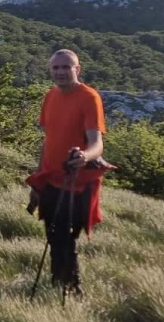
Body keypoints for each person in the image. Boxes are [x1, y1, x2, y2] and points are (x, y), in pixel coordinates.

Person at [26, 49, 107, 294]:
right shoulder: (50, 96)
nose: (60, 72)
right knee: (54, 236)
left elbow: (97, 142)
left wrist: (85, 156)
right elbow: (48, 141)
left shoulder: (89, 97)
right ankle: (59, 285)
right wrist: (37, 183)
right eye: (56, 68)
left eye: (66, 67)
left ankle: (71, 289)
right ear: (51, 70)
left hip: (76, 182)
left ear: (77, 69)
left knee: (64, 238)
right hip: (51, 178)